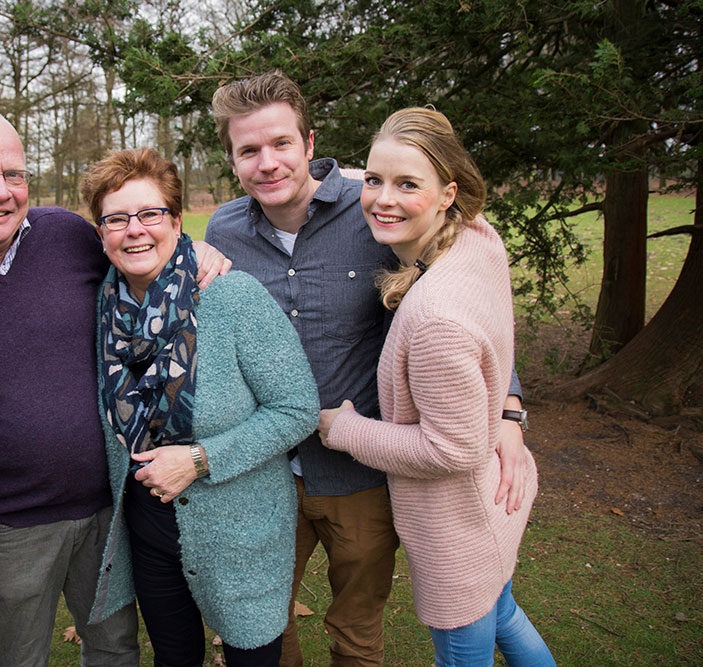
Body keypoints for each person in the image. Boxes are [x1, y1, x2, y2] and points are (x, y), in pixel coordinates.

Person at [205, 70, 532, 666]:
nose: (267, 162)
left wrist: (508, 407)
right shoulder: (224, 231)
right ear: (232, 160)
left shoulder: (379, 210)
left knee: (356, 629)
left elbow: (472, 293)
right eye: (248, 150)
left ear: (309, 143)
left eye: (281, 143)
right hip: (265, 473)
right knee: (259, 624)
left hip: (361, 476)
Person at [0, 109, 229, 667]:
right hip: (9, 519)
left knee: (114, 645)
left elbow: (139, 255)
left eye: (13, 174)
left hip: (108, 503)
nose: (0, 191)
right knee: (19, 652)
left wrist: (196, 250)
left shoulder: (65, 234)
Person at [318, 107, 554, 666]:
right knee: (508, 618)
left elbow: (451, 448)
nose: (381, 199)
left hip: (457, 526)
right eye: (373, 181)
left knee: (466, 649)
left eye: (407, 185)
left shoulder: (434, 317)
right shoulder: (476, 238)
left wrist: (345, 428)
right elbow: (389, 180)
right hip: (491, 503)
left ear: (447, 193)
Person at [81, 147, 319, 666]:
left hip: (241, 534)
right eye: (116, 218)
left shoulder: (233, 298)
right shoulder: (103, 307)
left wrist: (199, 459)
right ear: (100, 232)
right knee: (174, 657)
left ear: (175, 219)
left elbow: (297, 408)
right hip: (147, 530)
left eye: (150, 214)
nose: (134, 230)